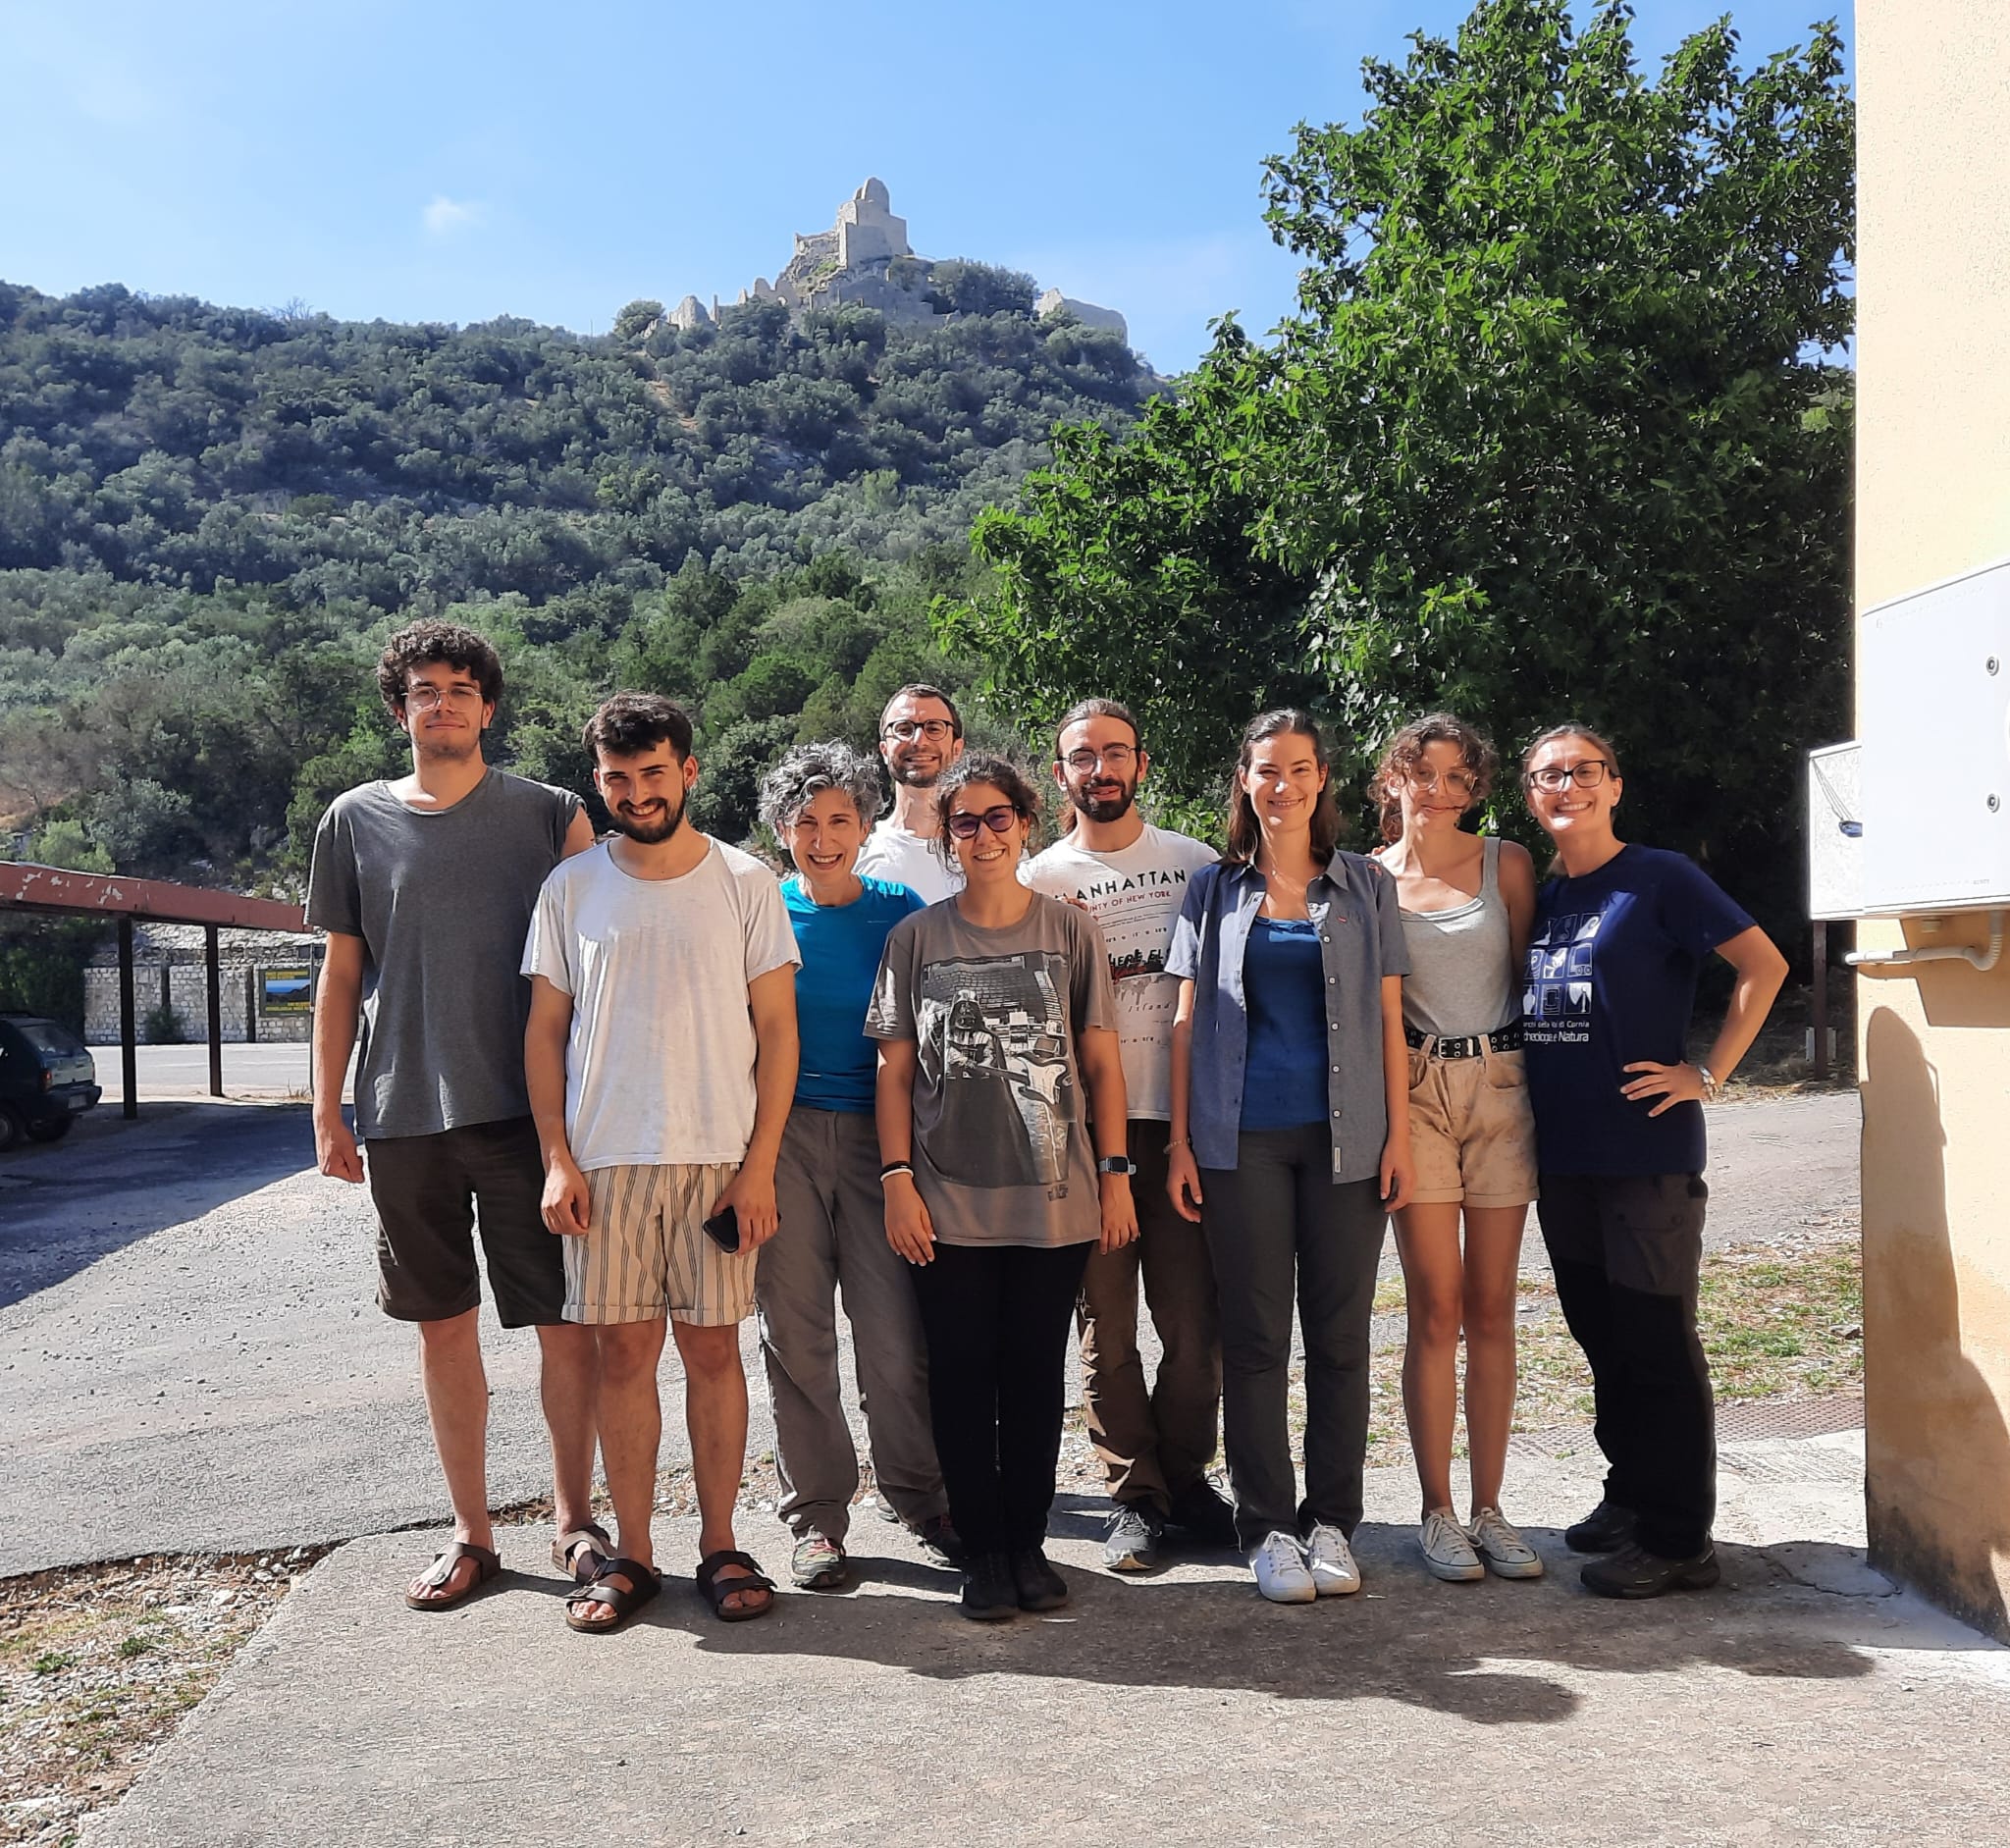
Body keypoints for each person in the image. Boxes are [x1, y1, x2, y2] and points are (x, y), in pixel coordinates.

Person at [307, 620, 602, 1612]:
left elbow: (595, 965)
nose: (442, 703)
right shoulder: (352, 820)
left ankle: (575, 1522)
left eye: (460, 689)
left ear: (488, 706)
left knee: (563, 1326)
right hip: (402, 1113)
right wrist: (326, 1109)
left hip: (531, 1117)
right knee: (443, 1330)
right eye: (424, 690)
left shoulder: (552, 815)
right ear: (400, 709)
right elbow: (341, 973)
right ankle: (473, 1533)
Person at [523, 693, 801, 1630]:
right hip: (606, 1163)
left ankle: (721, 1542)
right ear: (598, 783)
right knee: (624, 1356)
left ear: (688, 770)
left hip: (719, 1159)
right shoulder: (570, 888)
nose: (636, 793)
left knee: (715, 1352)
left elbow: (778, 1031)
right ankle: (635, 1555)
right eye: (617, 778)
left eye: (653, 773)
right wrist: (557, 1158)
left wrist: (759, 1166)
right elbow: (544, 1031)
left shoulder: (746, 880)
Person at [868, 754, 1137, 1620]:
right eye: (964, 822)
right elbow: (894, 1072)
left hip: (1054, 1199)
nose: (982, 835)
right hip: (944, 1203)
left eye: (997, 818)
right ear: (945, 836)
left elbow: (1101, 1063)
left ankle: (1026, 1543)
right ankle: (981, 1552)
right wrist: (897, 1179)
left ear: (1025, 823)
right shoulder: (916, 939)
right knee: (959, 1376)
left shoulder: (1070, 930)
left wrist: (1115, 1174)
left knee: (1032, 1376)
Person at [1519, 723, 1786, 1600]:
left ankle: (1679, 1539)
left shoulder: (1660, 877)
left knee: (1657, 1338)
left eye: (1584, 770)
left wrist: (1708, 1072)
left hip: (1645, 1154)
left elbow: (1763, 964)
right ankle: (1631, 1493)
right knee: (1603, 1336)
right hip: (1565, 1156)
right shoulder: (1544, 897)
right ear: (1531, 796)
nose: (1568, 785)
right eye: (1549, 775)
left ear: (1615, 785)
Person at [1165, 710, 1413, 1605]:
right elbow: (1185, 1023)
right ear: (1245, 779)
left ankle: (1333, 1520)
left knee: (1341, 1338)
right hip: (1241, 1143)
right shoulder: (1211, 889)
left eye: (1300, 768)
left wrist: (1399, 1135)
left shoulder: (1367, 885)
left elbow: (1390, 1018)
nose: (1285, 785)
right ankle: (1266, 1526)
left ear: (1321, 779)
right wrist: (1181, 1142)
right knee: (1255, 1338)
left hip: (1348, 1142)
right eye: (1268, 769)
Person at [1025, 698, 1231, 1572]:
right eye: (1083, 756)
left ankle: (1186, 1479)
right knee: (1105, 1327)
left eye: (1115, 753)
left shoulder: (1197, 863)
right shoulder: (1039, 879)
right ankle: (1134, 1494)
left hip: (1183, 1124)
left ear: (1141, 763)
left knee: (1194, 1321)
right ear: (1061, 773)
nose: (1100, 769)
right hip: (1083, 1136)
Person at [752, 741, 958, 1590]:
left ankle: (922, 1498)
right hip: (784, 1137)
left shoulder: (900, 911)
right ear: (781, 830)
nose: (824, 837)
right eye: (805, 821)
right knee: (796, 1337)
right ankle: (817, 1520)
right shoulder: (761, 909)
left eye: (840, 819)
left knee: (896, 1335)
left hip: (886, 1142)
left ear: (866, 825)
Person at [1370, 714, 1543, 1584]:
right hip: (1415, 1093)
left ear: (1475, 788)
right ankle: (1437, 1510)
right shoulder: (1367, 878)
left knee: (1493, 1307)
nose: (1438, 792)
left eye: (1456, 778)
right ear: (1392, 781)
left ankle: (1491, 1507)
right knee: (1435, 1308)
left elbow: (1535, 980)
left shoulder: (1505, 864)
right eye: (1422, 774)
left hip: (1502, 1086)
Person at [854, 684, 966, 903]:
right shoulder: (856, 854)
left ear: (956, 749)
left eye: (934, 729)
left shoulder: (989, 847)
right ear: (884, 750)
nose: (919, 741)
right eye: (904, 729)